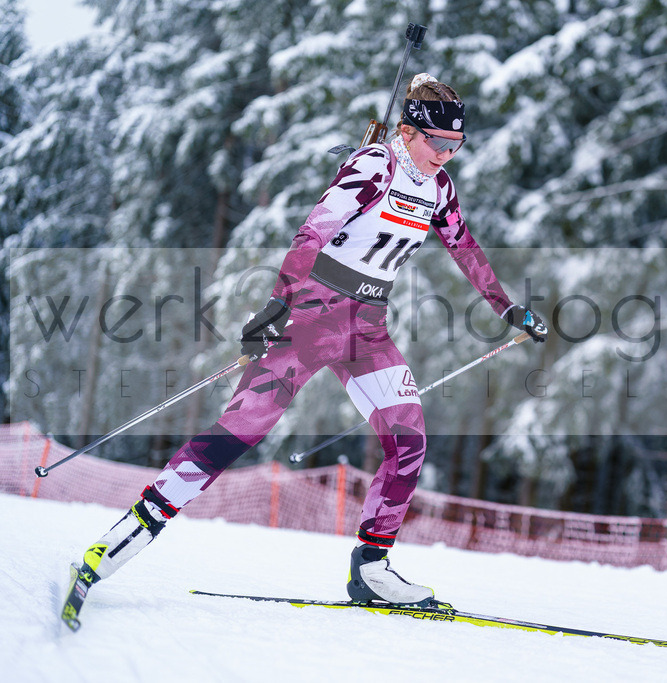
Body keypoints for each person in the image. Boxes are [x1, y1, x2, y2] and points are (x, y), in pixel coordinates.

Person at [65, 73, 547, 623]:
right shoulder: (375, 166)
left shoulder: (439, 188)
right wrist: (275, 306)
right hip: (312, 315)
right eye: (438, 143)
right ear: (409, 132)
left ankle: (371, 568)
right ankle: (122, 537)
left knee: (409, 440)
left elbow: (465, 246)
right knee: (238, 433)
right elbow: (311, 234)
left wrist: (506, 308)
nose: (446, 155)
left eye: (456, 146)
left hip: (366, 327)